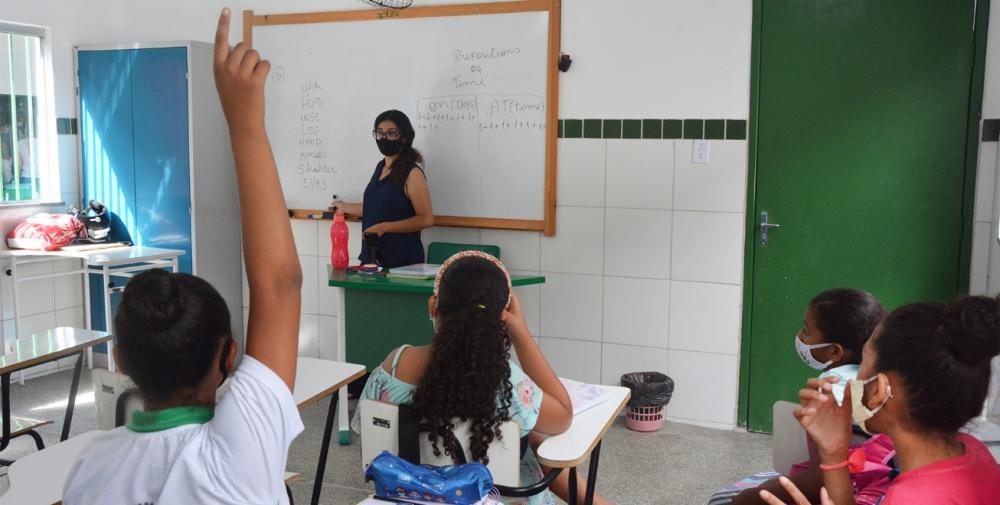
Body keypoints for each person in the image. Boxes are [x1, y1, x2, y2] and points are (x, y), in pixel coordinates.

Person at [63, 8, 304, 504]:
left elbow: (280, 285)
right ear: (230, 357)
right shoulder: (240, 452)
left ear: (121, 359)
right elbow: (279, 284)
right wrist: (245, 121)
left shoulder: (90, 465)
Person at [352, 250, 608, 504]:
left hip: (412, 498)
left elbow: (372, 440)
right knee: (527, 436)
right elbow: (562, 416)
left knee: (528, 435)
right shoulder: (504, 381)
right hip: (495, 499)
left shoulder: (395, 365)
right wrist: (522, 334)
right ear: (502, 318)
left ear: (433, 306)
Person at [758, 295, 1000, 505]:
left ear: (879, 391)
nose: (854, 376)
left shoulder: (907, 499)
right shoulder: (974, 452)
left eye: (862, 362)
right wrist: (833, 453)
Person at [710, 289, 889, 505]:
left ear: (835, 352)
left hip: (845, 486)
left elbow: (821, 478)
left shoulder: (829, 390)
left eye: (806, 330)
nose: (800, 336)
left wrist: (755, 495)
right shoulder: (883, 384)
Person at [331, 109, 433, 268]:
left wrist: (384, 227)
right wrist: (344, 207)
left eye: (391, 133)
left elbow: (426, 218)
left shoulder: (412, 173)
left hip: (402, 265)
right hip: (372, 261)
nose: (384, 138)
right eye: (379, 133)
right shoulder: (380, 167)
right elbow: (378, 208)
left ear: (404, 137)